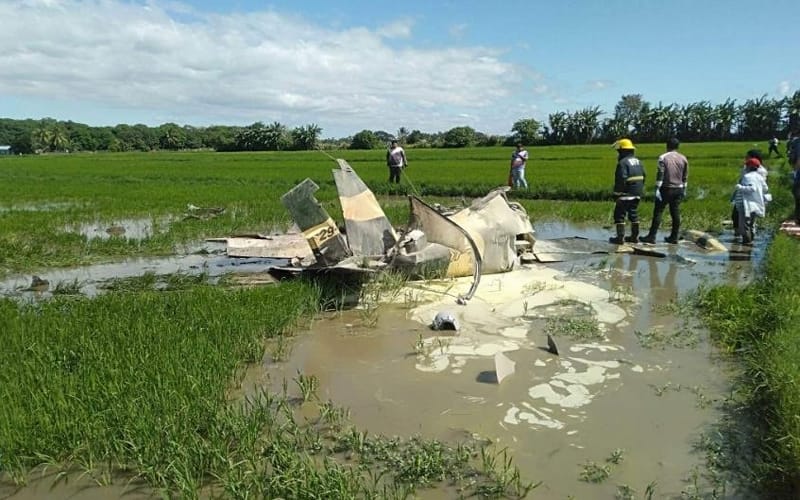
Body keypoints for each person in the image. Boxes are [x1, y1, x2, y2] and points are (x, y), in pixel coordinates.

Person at [641, 138, 689, 244]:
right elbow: (685, 176)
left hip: (666, 188)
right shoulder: (683, 158)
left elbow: (660, 174)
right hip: (679, 188)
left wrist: (657, 188)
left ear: (667, 146)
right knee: (675, 212)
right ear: (678, 146)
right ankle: (674, 236)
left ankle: (651, 236)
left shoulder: (663, 157)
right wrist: (684, 188)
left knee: (658, 212)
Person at [609, 138, 646, 244]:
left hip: (626, 193)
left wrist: (617, 193)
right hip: (637, 193)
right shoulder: (638, 161)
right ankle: (634, 237)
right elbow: (644, 175)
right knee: (633, 213)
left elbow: (621, 178)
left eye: (619, 151)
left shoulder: (622, 163)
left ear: (623, 151)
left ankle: (620, 238)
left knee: (619, 214)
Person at [731, 151, 770, 244]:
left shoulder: (748, 176)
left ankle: (746, 244)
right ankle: (749, 242)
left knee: (744, 225)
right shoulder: (759, 176)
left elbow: (752, 188)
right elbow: (765, 188)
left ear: (749, 166)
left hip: (746, 204)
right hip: (756, 202)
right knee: (750, 224)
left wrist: (741, 187)